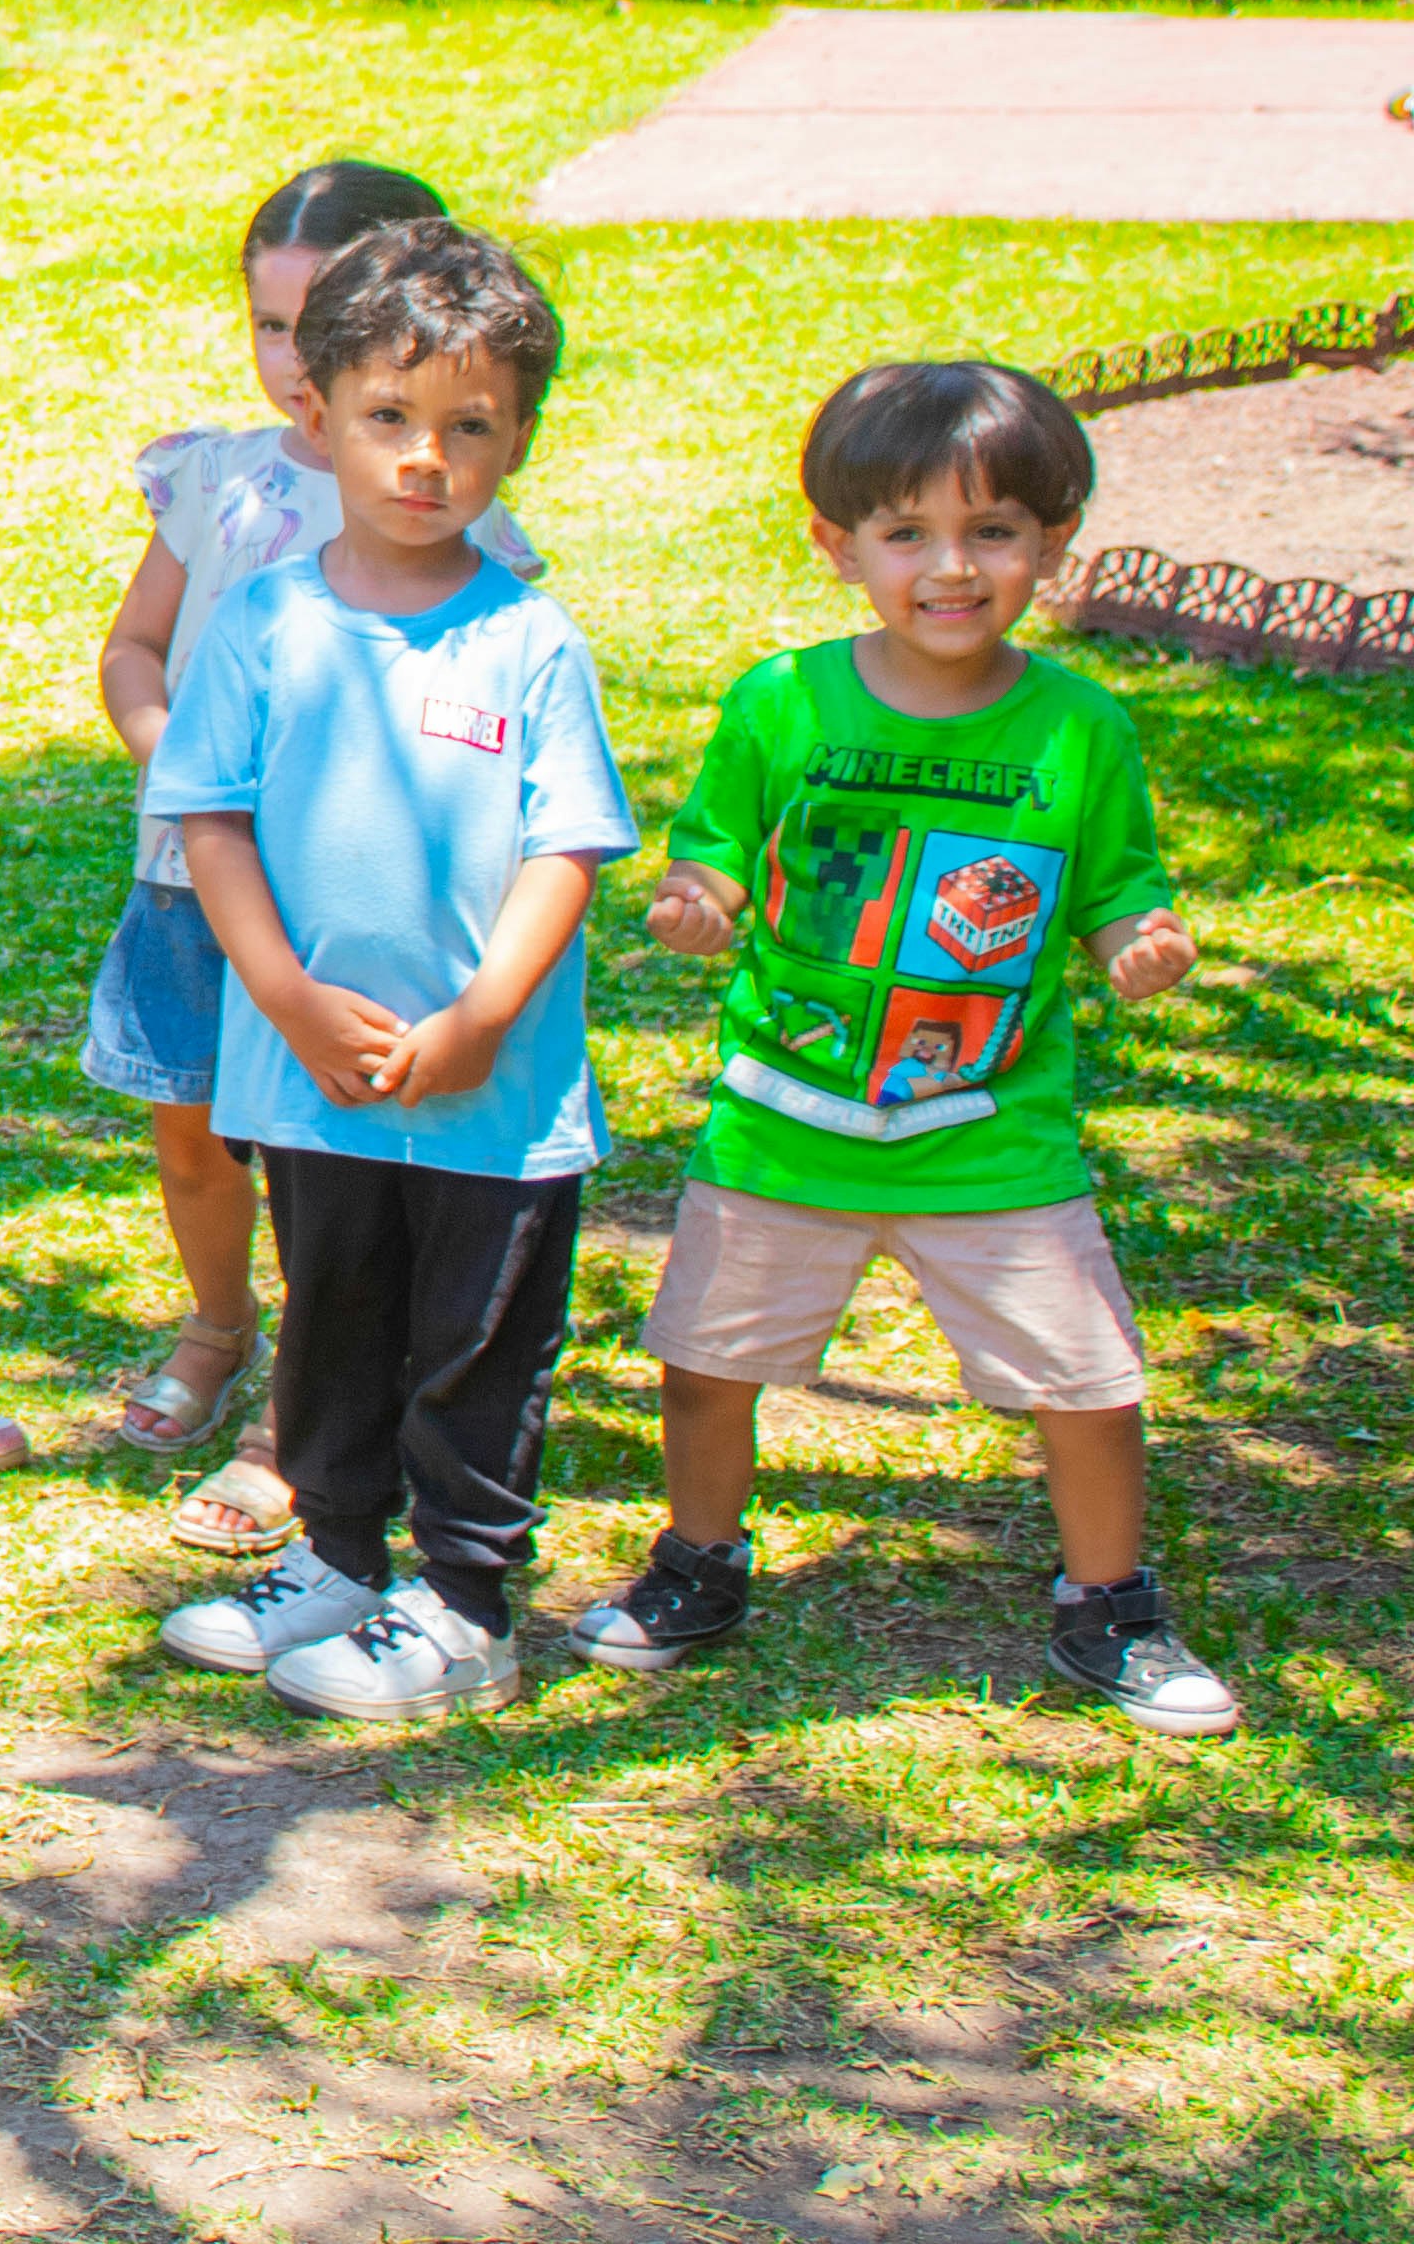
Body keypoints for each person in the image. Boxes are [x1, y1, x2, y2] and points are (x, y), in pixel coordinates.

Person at [573, 363, 1233, 1736]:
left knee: (1093, 1380)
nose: (952, 567)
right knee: (704, 1362)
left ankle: (1110, 1601)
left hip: (991, 1135)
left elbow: (1118, 888)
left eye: (994, 532)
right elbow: (714, 848)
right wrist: (699, 901)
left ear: (1053, 547)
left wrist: (1139, 944)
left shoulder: (1080, 726)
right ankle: (700, 1562)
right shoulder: (782, 704)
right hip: (785, 1120)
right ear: (838, 546)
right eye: (908, 533)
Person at [149, 221, 635, 1724]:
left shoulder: (532, 639)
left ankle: (471, 1606)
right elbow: (210, 820)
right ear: (318, 416)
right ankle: (343, 1558)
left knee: (475, 1341)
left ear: (517, 442)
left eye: (469, 428)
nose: (426, 457)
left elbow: (568, 848)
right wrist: (285, 996)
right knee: (334, 1314)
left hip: (491, 1094)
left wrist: (488, 1015)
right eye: (389, 418)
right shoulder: (265, 620)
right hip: (309, 1074)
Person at [91, 165, 545, 1560]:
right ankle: (219, 1317)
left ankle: (301, 1409)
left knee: (326, 1154)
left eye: (321, 323)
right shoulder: (219, 484)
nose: (292, 359)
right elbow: (132, 648)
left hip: (352, 912)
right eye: (269, 325)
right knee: (192, 1128)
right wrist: (183, 755)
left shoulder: (467, 538)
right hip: (194, 875)